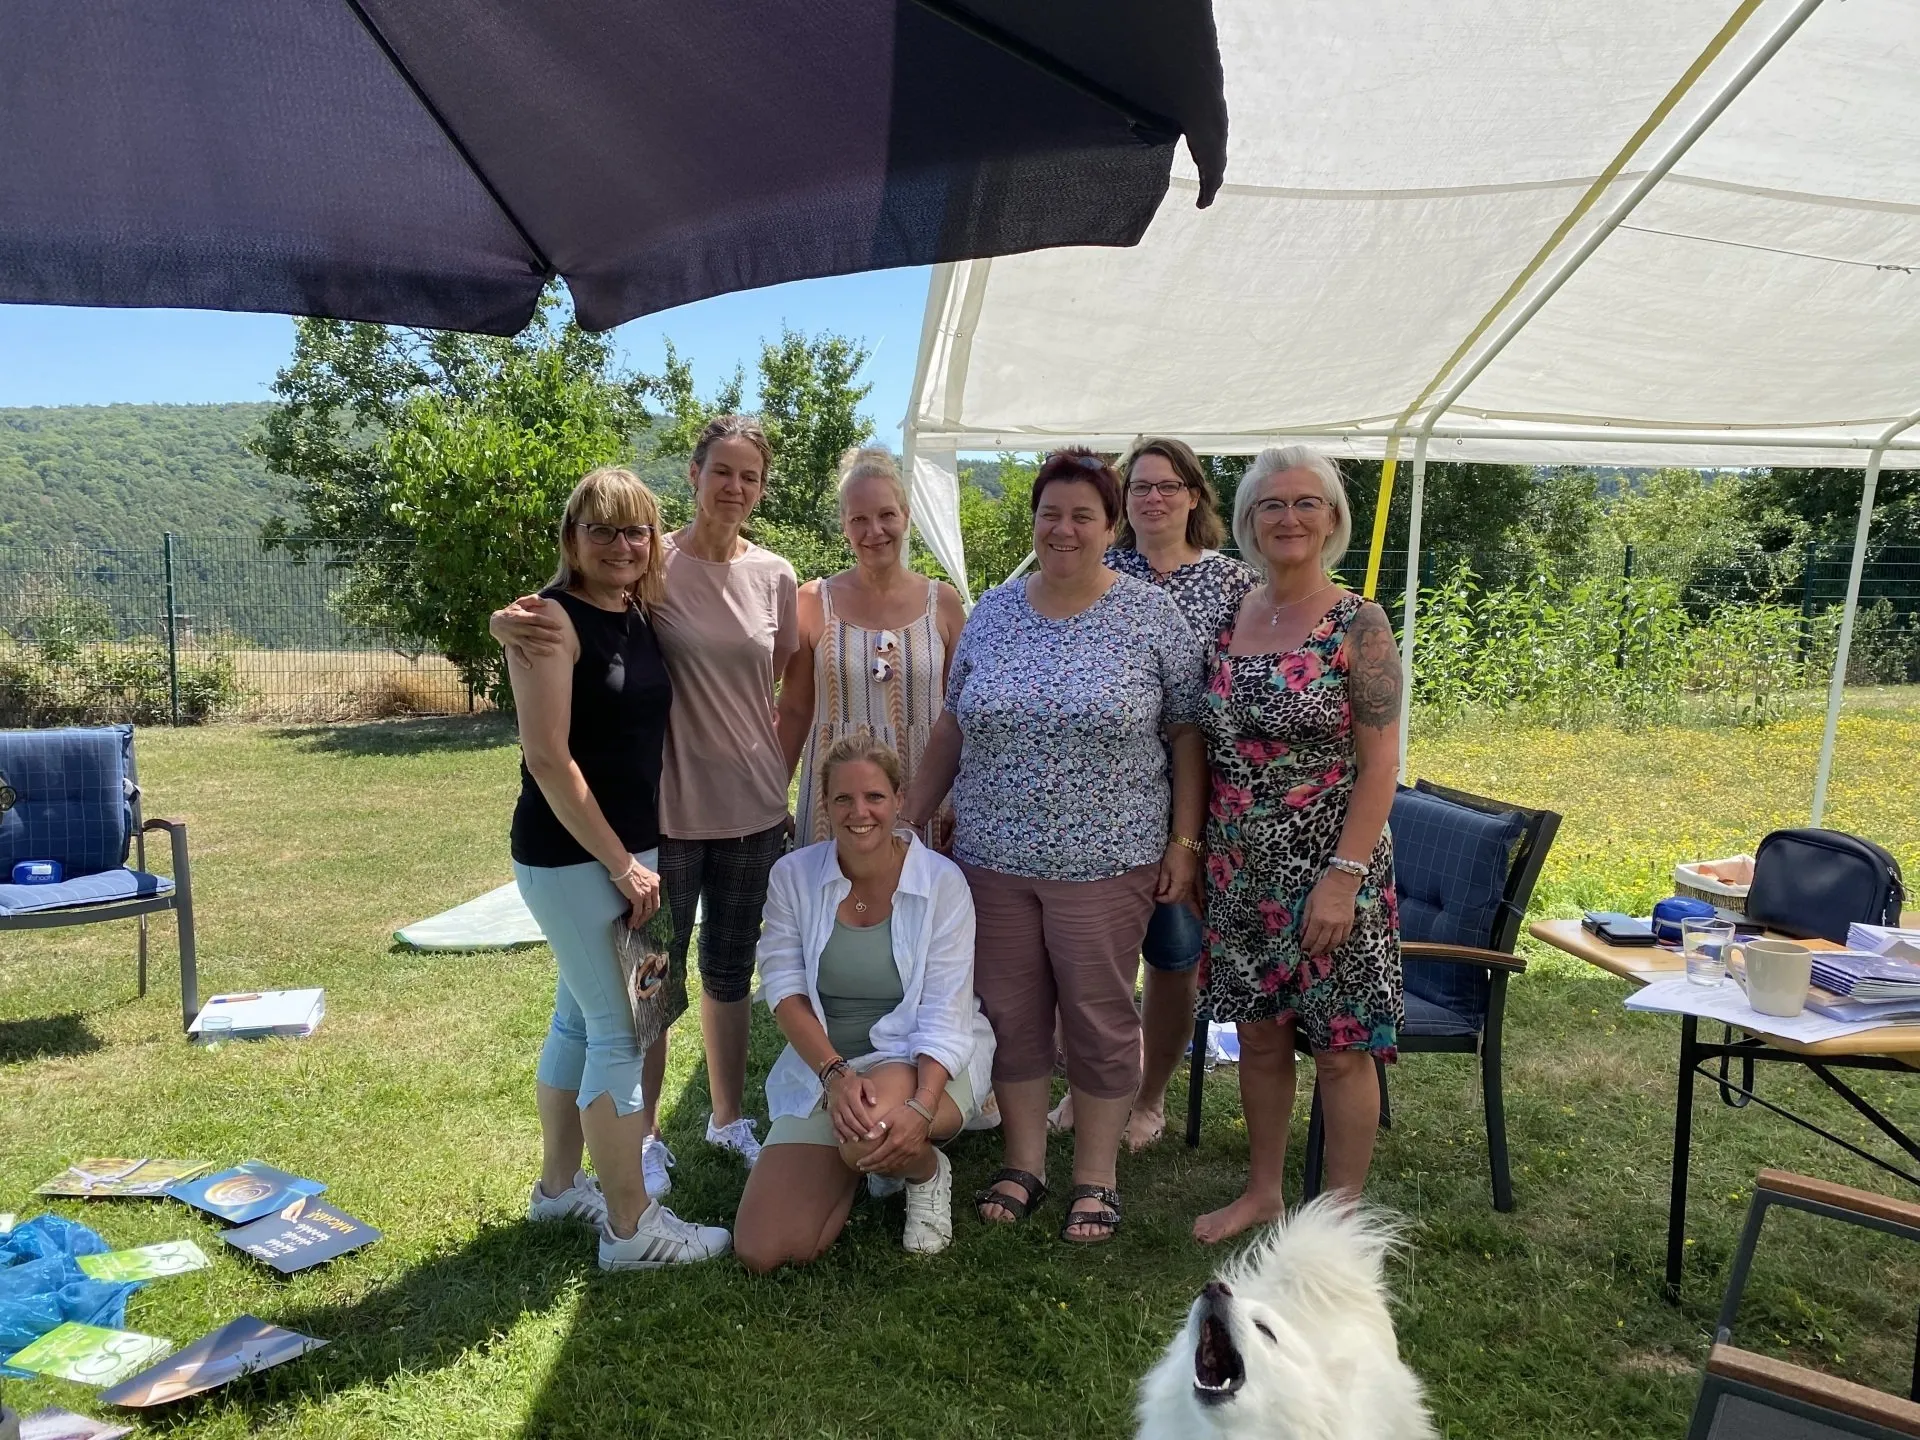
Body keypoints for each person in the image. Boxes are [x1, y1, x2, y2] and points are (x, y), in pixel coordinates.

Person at [902, 448, 1206, 1244]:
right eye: (1049, 513)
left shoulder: (1150, 617)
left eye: (1082, 515)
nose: (1063, 529)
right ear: (1033, 521)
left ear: (1111, 526)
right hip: (993, 858)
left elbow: (1185, 733)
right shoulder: (996, 613)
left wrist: (1185, 838)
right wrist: (905, 820)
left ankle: (1097, 1177)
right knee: (1012, 1014)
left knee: (1101, 1015)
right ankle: (1025, 1162)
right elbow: (952, 724)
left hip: (1108, 861)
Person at [493, 415, 799, 1190]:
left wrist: (783, 772)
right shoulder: (653, 568)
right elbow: (567, 608)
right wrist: (506, 622)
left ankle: (728, 1117)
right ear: (693, 475)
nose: (734, 487)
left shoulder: (775, 575)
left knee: (730, 973)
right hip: (665, 821)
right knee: (647, 997)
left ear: (762, 489)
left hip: (755, 809)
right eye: (720, 470)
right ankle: (647, 1138)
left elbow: (788, 678)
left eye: (749, 476)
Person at [508, 466, 731, 1270]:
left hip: (629, 854)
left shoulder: (633, 614)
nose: (621, 545)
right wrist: (622, 867)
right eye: (601, 529)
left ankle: (561, 1189)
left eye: (636, 530)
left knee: (579, 1021)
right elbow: (547, 758)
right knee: (621, 1033)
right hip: (579, 858)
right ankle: (632, 1230)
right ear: (572, 539)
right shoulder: (550, 622)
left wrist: (635, 862)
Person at [1193, 445, 1404, 1245]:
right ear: (1248, 522)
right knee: (1258, 1034)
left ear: (1332, 519)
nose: (1288, 517)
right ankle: (1264, 1192)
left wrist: (1342, 880)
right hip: (1240, 868)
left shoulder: (1360, 623)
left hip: (1330, 864)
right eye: (1271, 505)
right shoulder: (1229, 620)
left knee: (1343, 1046)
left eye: (1306, 503)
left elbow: (1381, 764)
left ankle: (1339, 1218)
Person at [1047, 437, 1259, 1150]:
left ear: (1194, 495)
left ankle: (1150, 1095)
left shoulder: (1230, 585)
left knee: (1172, 956)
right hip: (1100, 806)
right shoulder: (1101, 567)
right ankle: (1089, 1089)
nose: (1153, 498)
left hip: (1192, 804)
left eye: (1168, 486)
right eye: (1138, 487)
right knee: (1092, 962)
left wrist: (1193, 834)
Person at [734, 734, 994, 1271]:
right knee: (765, 1250)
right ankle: (870, 1163)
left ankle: (923, 1170)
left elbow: (946, 1013)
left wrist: (921, 1107)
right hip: (828, 1071)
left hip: (923, 1059)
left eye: (875, 797)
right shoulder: (793, 877)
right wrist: (835, 1075)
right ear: (824, 807)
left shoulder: (943, 883)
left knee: (869, 1129)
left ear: (900, 799)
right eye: (843, 800)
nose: (860, 813)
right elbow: (784, 989)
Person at [777, 446, 966, 846]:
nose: (874, 530)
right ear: (844, 525)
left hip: (924, 793)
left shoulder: (944, 603)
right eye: (859, 519)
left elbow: (963, 714)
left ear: (906, 517)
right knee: (833, 903)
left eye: (886, 515)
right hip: (837, 796)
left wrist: (960, 800)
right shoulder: (813, 601)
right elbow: (794, 710)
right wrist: (773, 796)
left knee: (919, 903)